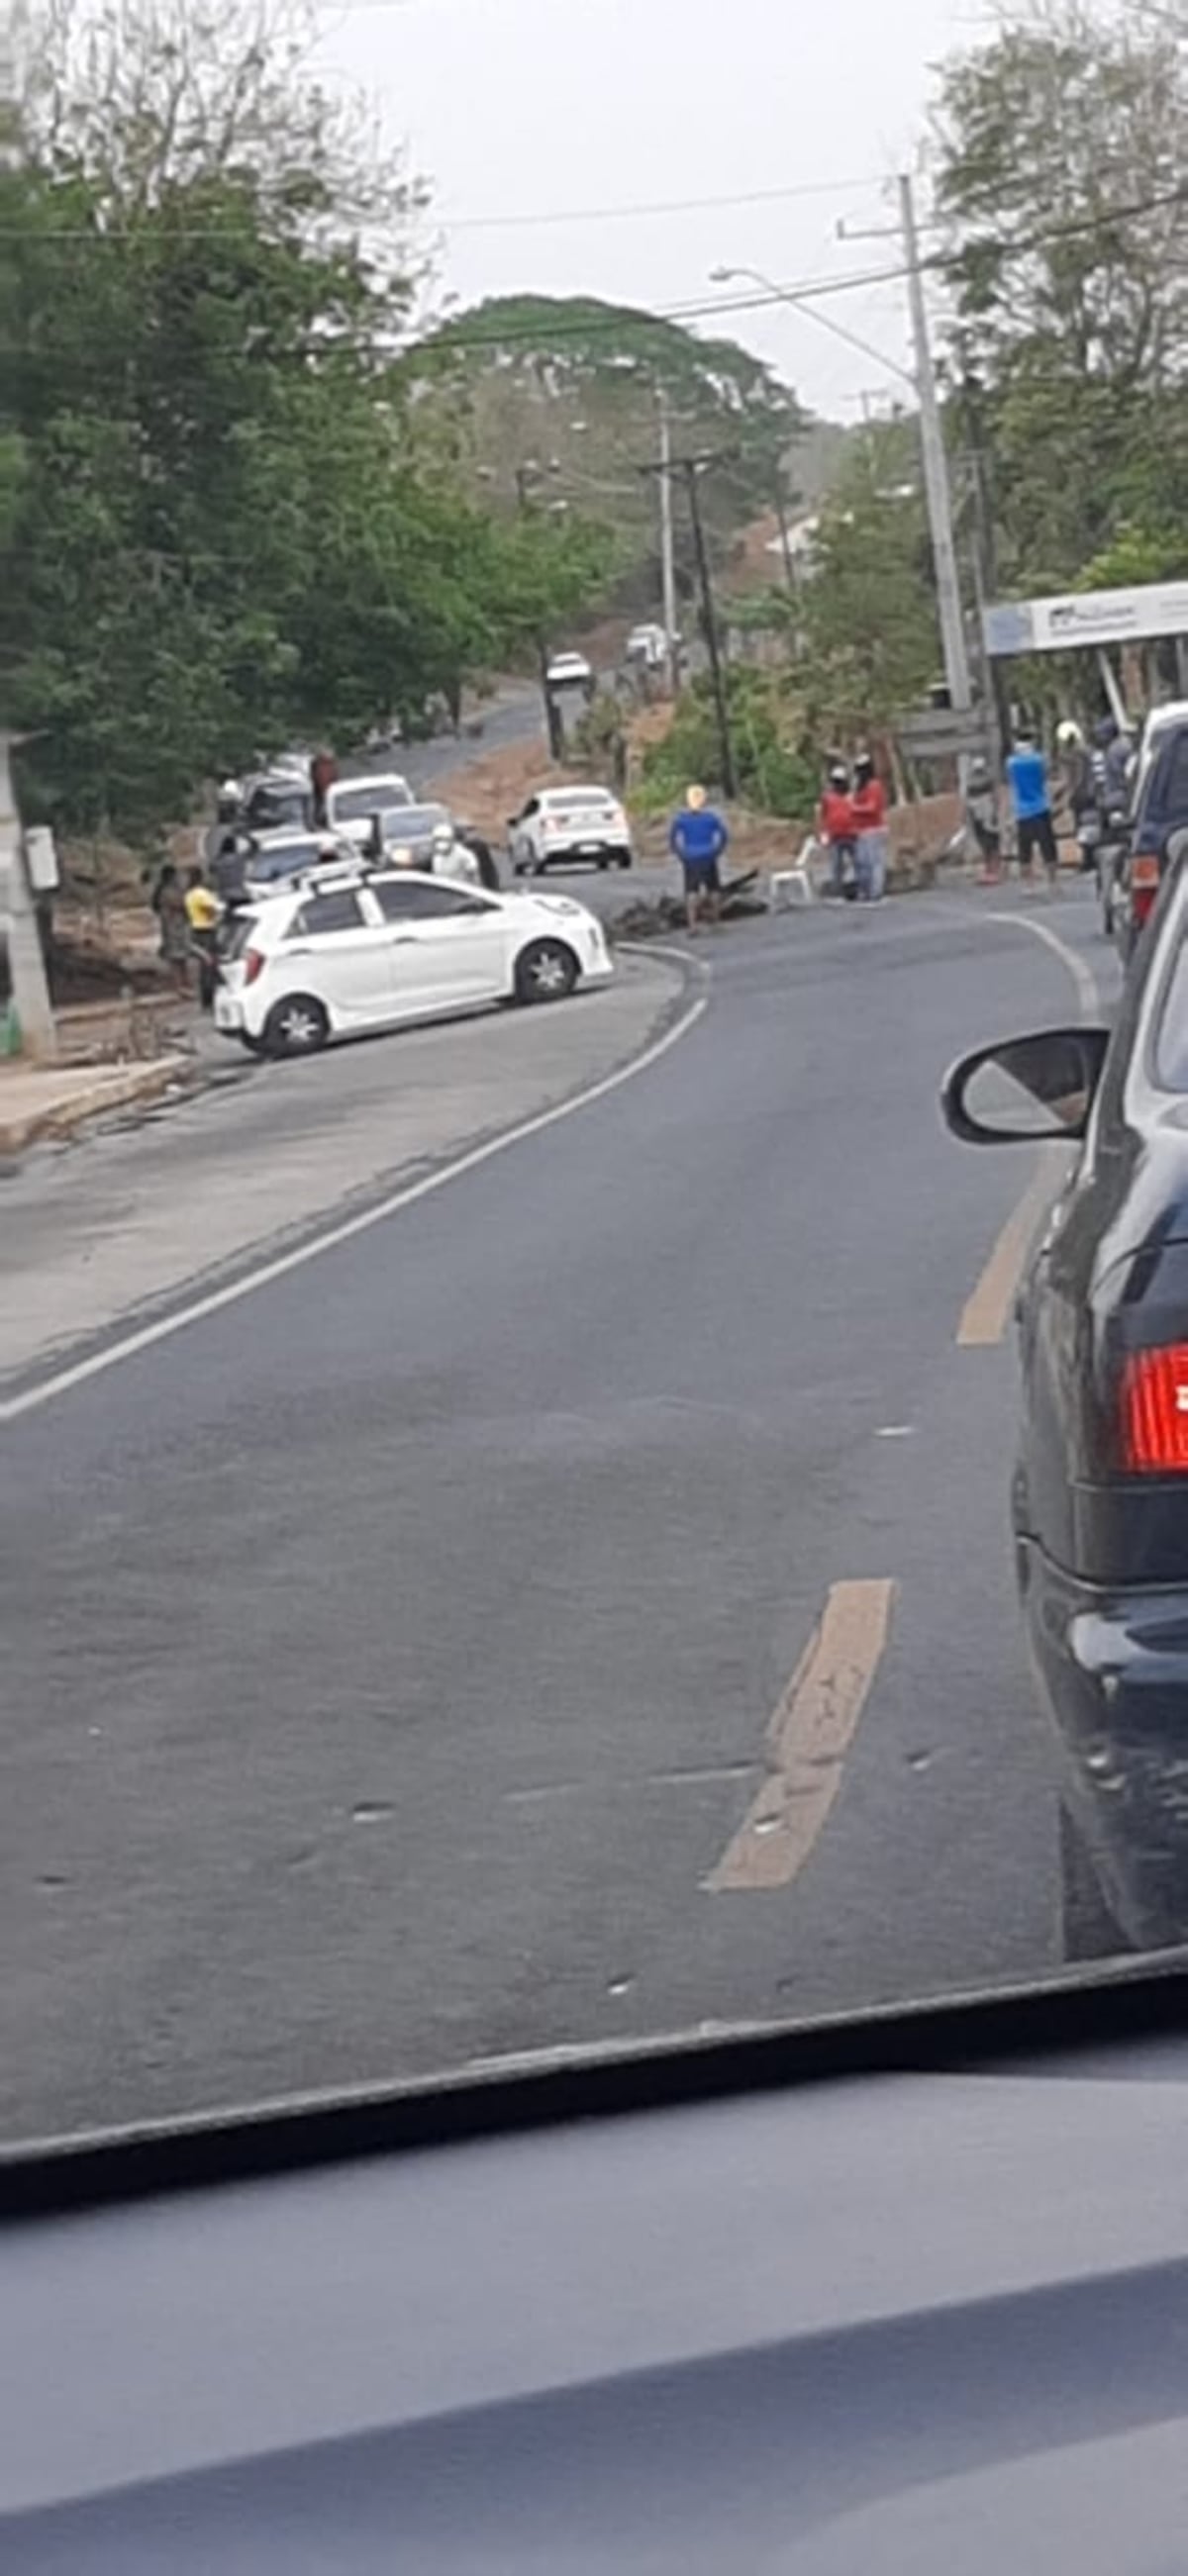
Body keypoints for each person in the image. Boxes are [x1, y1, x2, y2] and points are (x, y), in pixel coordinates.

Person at [669, 784, 728, 931]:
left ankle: (692, 924)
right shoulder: (711, 818)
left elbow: (673, 838)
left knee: (691, 890)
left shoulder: (682, 819)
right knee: (713, 888)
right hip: (708, 855)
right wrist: (717, 850)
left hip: (690, 856)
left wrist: (680, 853)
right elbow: (723, 835)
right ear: (703, 800)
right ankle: (716, 921)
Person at [1006, 729, 1059, 888]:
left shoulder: (1012, 763)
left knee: (1025, 849)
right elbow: (1045, 777)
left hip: (1022, 810)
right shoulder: (1039, 760)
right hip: (1041, 806)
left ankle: (1029, 884)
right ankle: (1053, 881)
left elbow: (1011, 782)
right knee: (1048, 845)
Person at [850, 753, 888, 902]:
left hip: (874, 828)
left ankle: (875, 892)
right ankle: (865, 890)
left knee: (875, 862)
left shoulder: (874, 785)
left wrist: (854, 808)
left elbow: (872, 807)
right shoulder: (860, 787)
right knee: (863, 862)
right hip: (861, 829)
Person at [184, 866, 221, 1010]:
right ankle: (211, 997)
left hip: (196, 929)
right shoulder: (201, 894)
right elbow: (210, 909)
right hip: (207, 929)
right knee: (210, 965)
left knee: (204, 966)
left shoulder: (189, 894)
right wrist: (216, 917)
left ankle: (206, 999)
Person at [151, 863, 191, 995]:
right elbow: (181, 904)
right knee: (176, 955)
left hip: (176, 925)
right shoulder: (168, 891)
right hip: (173, 925)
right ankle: (179, 985)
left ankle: (184, 982)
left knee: (181, 955)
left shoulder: (169, 890)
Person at [818, 764, 856, 900]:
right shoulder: (827, 797)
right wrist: (823, 833)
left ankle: (860, 888)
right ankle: (838, 892)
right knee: (836, 866)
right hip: (836, 835)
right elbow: (823, 815)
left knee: (858, 863)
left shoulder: (851, 796)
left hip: (852, 834)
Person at [964, 758, 1003, 883]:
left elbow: (995, 797)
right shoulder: (971, 782)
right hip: (978, 814)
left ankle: (995, 868)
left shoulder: (988, 780)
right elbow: (968, 800)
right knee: (984, 842)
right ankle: (989, 868)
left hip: (987, 813)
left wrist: (995, 811)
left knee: (991, 841)